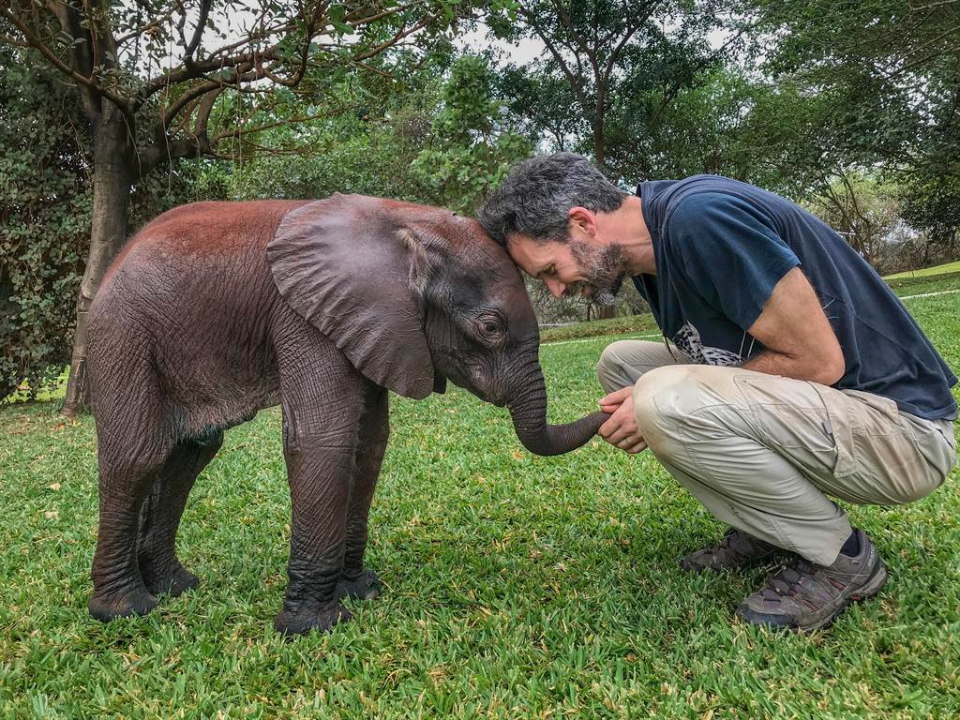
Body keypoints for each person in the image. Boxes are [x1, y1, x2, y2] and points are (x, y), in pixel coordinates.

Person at [478, 153, 958, 631]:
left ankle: (843, 557)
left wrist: (659, 398)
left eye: (549, 270)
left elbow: (819, 362)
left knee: (660, 396)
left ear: (582, 223)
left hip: (900, 430)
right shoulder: (651, 257)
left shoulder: (699, 219)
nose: (555, 291)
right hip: (833, 416)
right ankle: (769, 529)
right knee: (622, 364)